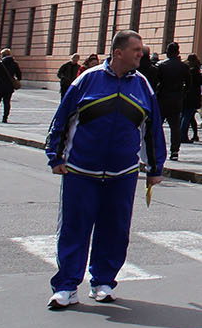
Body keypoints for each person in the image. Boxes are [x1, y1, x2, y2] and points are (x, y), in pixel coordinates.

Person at [43, 29, 166, 309]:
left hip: (122, 174)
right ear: (119, 52)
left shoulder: (143, 86)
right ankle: (66, 286)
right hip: (80, 171)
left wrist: (155, 166)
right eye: (136, 50)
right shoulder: (87, 80)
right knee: (74, 228)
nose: (141, 54)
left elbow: (153, 129)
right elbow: (62, 120)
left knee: (115, 230)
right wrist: (56, 157)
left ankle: (103, 282)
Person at [150, 43, 190, 161]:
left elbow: (156, 82)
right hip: (176, 99)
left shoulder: (161, 65)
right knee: (175, 127)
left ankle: (154, 148)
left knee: (157, 125)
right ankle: (174, 151)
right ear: (178, 52)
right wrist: (182, 94)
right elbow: (189, 83)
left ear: (167, 52)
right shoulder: (183, 67)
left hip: (162, 99)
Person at [0, 48, 21, 122]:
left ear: (2, 55)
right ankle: (5, 118)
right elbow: (19, 76)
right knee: (7, 102)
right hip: (9, 86)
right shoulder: (15, 64)